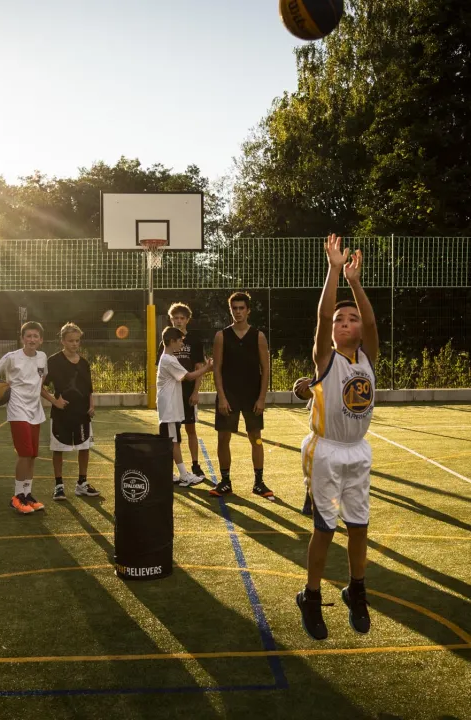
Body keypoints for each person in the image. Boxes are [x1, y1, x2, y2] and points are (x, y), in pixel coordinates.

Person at [294, 234, 378, 641]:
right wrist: (333, 271)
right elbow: (323, 313)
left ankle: (356, 590)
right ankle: (310, 596)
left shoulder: (367, 357)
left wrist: (356, 283)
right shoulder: (325, 359)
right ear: (330, 333)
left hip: (358, 452)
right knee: (325, 529)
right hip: (326, 451)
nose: (345, 323)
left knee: (359, 527)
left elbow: (373, 322)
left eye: (352, 319)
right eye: (339, 321)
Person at [0, 321, 48, 515]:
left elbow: (40, 382)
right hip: (17, 410)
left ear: (41, 340)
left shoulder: (42, 357)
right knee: (24, 453)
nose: (32, 339)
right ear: (22, 339)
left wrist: (53, 401)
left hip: (35, 411)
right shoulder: (11, 358)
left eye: (35, 336)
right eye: (28, 336)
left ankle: (28, 494)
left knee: (32, 455)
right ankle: (17, 497)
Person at [209, 292, 274, 500]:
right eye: (234, 308)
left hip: (252, 395)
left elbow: (266, 369)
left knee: (255, 438)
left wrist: (262, 398)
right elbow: (217, 369)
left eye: (241, 308)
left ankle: (259, 482)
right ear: (231, 311)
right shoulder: (221, 336)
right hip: (228, 395)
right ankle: (225, 482)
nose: (238, 312)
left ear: (248, 311)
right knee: (223, 438)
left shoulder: (258, 336)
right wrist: (222, 396)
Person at [45, 323, 100, 500]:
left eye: (77, 341)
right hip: (61, 413)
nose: (74, 344)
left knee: (84, 447)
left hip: (82, 413)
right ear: (62, 341)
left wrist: (91, 405)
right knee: (58, 448)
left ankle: (82, 484)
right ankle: (59, 486)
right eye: (70, 341)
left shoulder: (84, 363)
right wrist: (55, 401)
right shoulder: (53, 361)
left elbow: (89, 388)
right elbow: (40, 387)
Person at [156, 303, 207, 480]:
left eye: (181, 318)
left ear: (187, 320)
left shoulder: (192, 341)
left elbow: (196, 367)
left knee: (186, 431)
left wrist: (195, 392)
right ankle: (181, 473)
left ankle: (193, 466)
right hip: (172, 397)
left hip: (184, 393)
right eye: (175, 318)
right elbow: (190, 374)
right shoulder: (167, 349)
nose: (178, 321)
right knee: (173, 436)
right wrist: (210, 368)